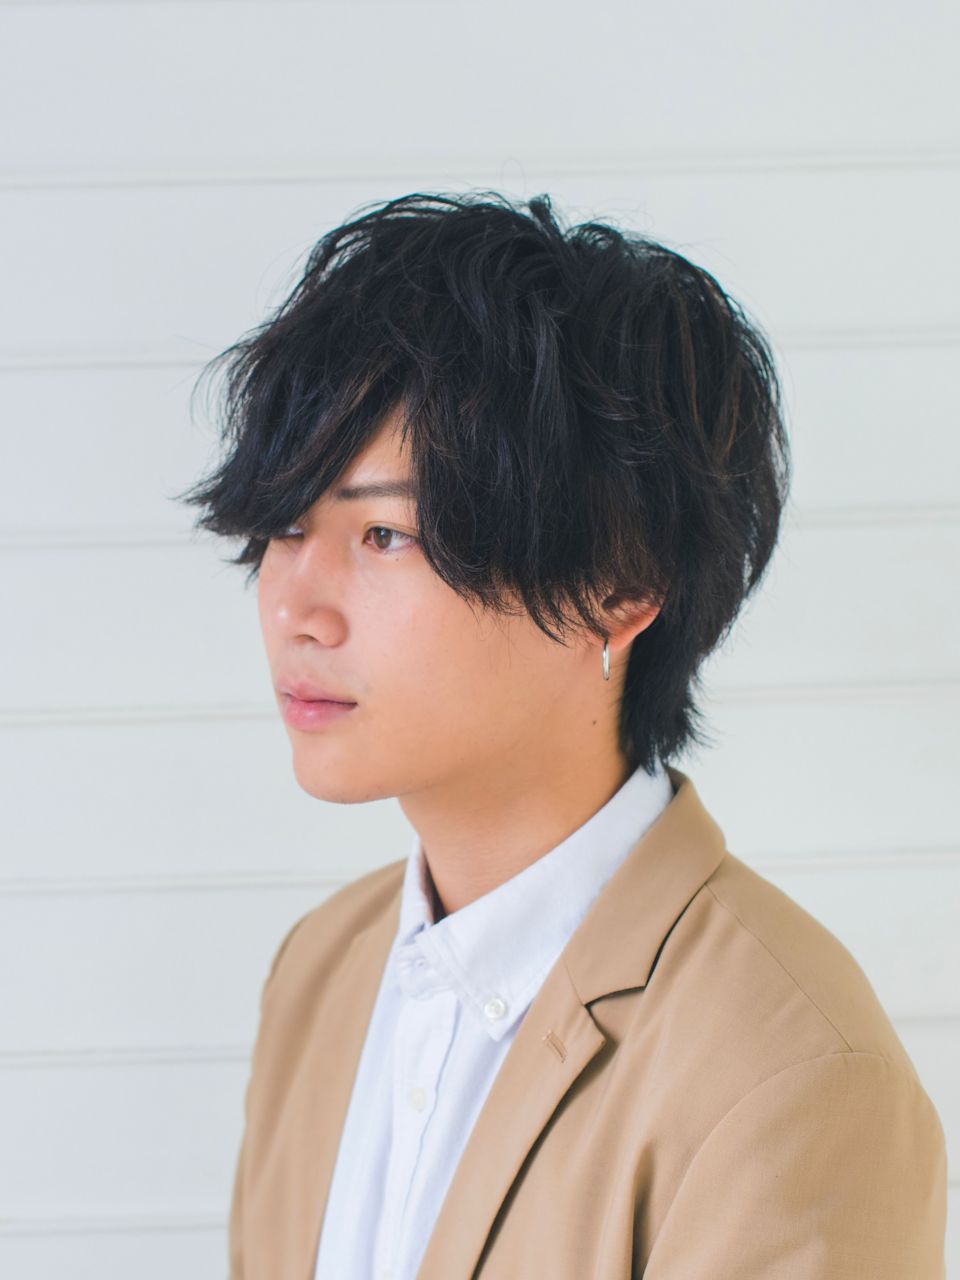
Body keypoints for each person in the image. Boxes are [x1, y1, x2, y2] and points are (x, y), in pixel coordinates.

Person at [176, 190, 947, 1278]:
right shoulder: (321, 970)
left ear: (619, 586)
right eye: (287, 524)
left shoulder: (791, 1070)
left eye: (384, 533)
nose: (296, 605)